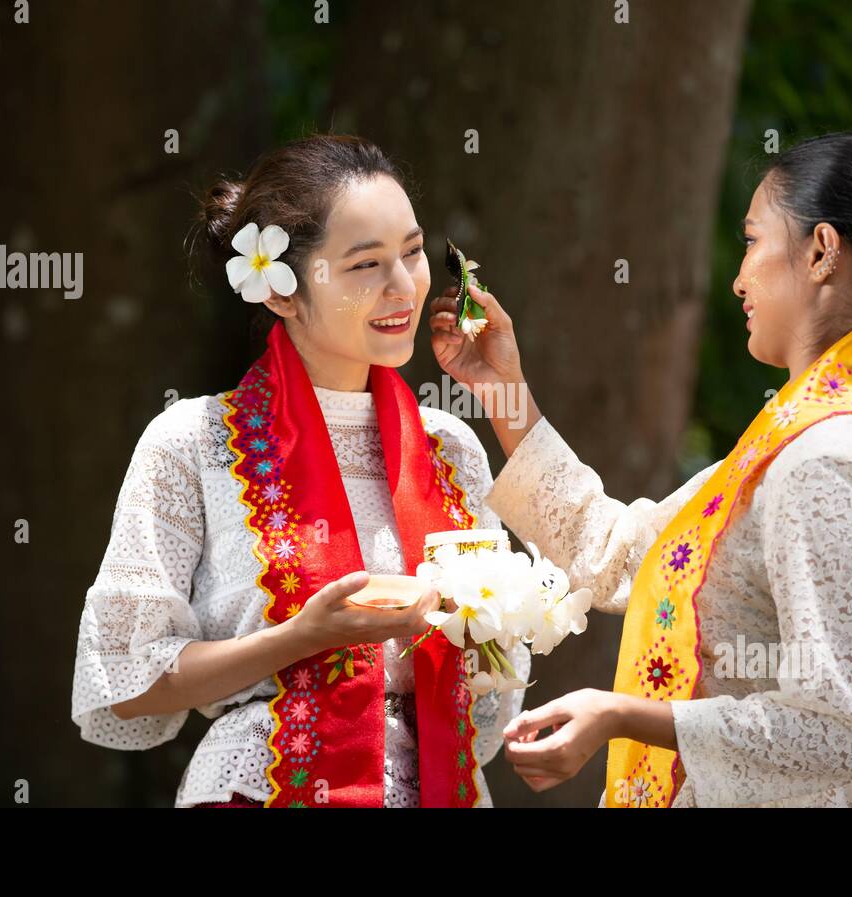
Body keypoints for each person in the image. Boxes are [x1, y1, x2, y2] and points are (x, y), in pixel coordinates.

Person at [428, 132, 852, 807]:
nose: (738, 277)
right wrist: (502, 389)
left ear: (821, 251)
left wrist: (622, 715)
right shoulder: (790, 445)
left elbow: (839, 726)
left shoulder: (828, 463)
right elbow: (618, 553)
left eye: (751, 241)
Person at [71, 134, 528, 808]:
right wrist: (299, 638)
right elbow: (126, 677)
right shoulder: (195, 443)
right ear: (282, 294)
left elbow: (491, 696)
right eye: (366, 264)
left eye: (411, 250)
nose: (404, 285)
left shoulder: (450, 448)